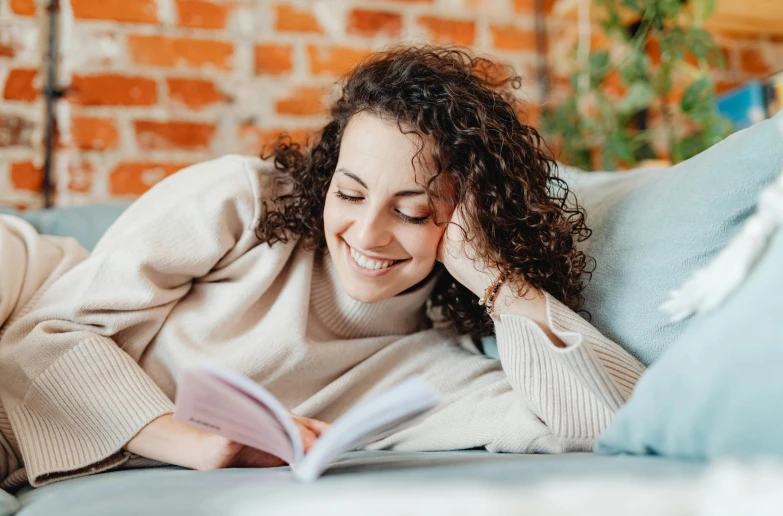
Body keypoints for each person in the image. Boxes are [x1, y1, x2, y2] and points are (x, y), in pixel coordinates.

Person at [0, 45, 645, 491]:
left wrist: (498, 282)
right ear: (326, 175)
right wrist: (192, 443)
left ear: (469, 221)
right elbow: (43, 337)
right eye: (351, 192)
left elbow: (614, 425)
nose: (367, 234)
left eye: (414, 212)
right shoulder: (245, 204)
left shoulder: (432, 370)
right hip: (26, 283)